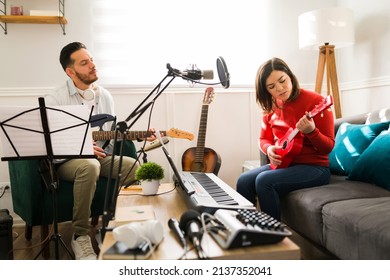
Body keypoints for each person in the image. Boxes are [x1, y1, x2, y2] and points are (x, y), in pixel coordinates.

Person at [45, 42, 157, 260]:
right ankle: (80, 236)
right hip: (68, 161)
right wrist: (81, 147)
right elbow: (50, 142)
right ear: (70, 71)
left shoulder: (104, 96)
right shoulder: (55, 99)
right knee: (89, 165)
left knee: (133, 166)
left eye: (92, 60)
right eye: (84, 63)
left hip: (99, 156)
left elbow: (111, 137)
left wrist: (138, 135)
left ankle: (114, 227)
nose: (92, 66)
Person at [236, 57, 335, 221]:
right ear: (266, 91)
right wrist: (268, 149)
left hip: (315, 168)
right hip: (285, 164)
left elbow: (328, 147)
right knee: (244, 181)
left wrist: (312, 131)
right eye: (272, 87)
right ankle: (249, 228)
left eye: (282, 81)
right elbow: (263, 139)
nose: (280, 88)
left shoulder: (316, 101)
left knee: (264, 181)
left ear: (290, 76)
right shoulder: (271, 106)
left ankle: (273, 236)